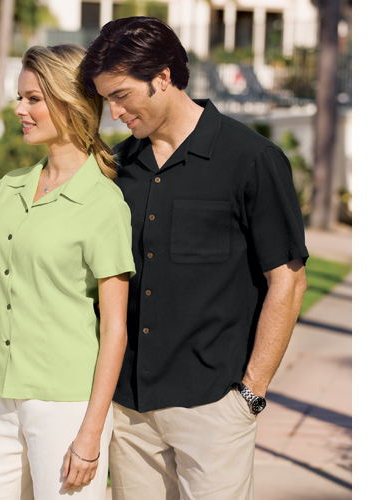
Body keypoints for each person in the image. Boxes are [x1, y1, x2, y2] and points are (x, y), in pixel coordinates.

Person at [82, 17, 309, 500]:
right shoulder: (116, 168)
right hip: (129, 413)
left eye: (121, 95)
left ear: (163, 77)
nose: (114, 112)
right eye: (106, 100)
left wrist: (250, 394)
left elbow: (288, 281)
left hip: (213, 409)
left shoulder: (251, 159)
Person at [0, 44, 135, 500]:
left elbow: (114, 328)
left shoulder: (104, 203)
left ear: (70, 103)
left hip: (65, 407)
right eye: (20, 97)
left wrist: (90, 432)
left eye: (33, 98)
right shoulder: (9, 187)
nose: (19, 109)